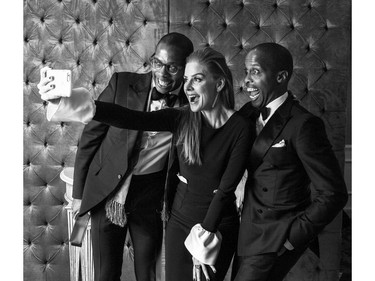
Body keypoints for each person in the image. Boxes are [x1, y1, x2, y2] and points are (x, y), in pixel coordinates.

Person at [38, 47, 254, 281]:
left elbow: (225, 190)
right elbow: (132, 118)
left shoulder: (241, 127)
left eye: (197, 79)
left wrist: (203, 243)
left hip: (216, 225)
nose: (188, 87)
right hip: (180, 223)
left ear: (219, 84)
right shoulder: (182, 117)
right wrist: (68, 101)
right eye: (186, 80)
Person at [38, 32, 194, 281]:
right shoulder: (123, 83)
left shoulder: (191, 103)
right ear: (152, 60)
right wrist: (79, 195)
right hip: (108, 191)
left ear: (186, 68)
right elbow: (90, 139)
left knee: (149, 274)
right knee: (106, 274)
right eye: (158, 63)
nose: (163, 74)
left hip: (152, 198)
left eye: (173, 67)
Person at [233, 42, 348, 281]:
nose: (246, 82)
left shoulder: (303, 124)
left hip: (276, 236)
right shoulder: (247, 113)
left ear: (281, 76)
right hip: (245, 231)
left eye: (255, 72)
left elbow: (333, 193)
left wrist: (292, 238)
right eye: (246, 72)